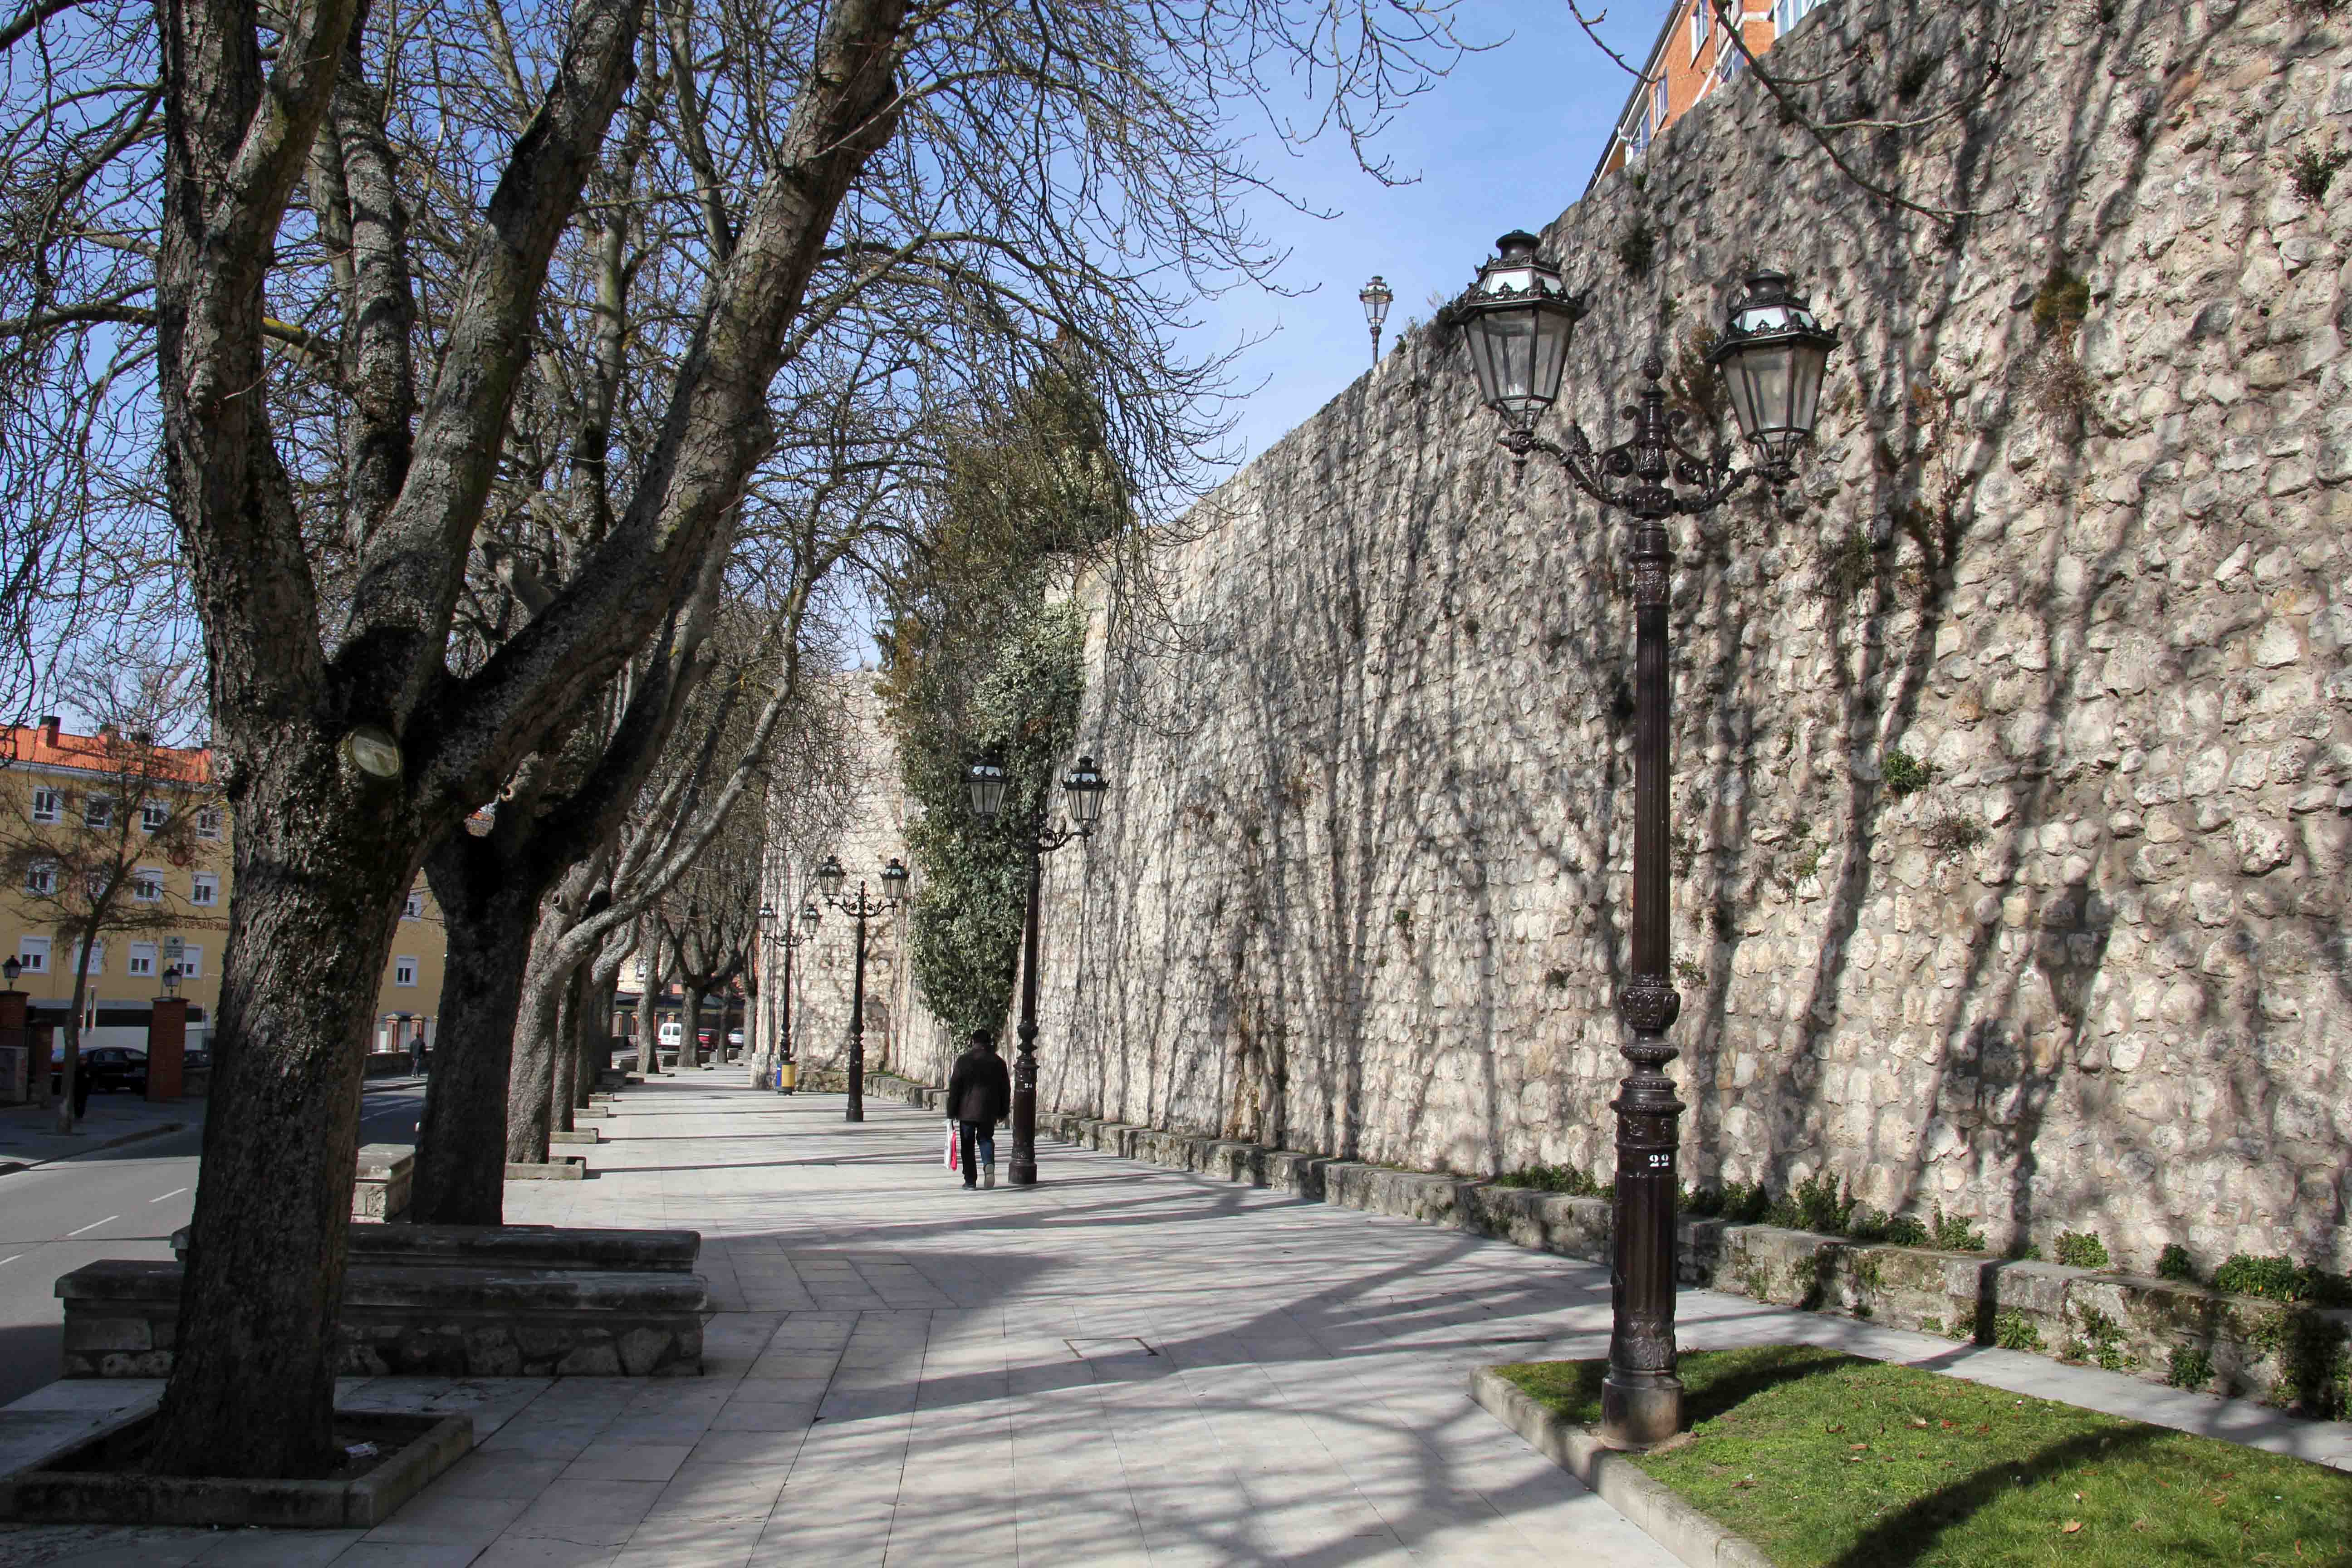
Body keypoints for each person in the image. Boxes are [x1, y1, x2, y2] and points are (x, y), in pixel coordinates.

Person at [944, 1029, 1012, 1191]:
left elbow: (955, 1089)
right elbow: (1005, 1090)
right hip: (988, 1111)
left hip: (966, 1111)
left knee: (967, 1145)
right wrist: (1003, 1111)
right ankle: (988, 1164)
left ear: (973, 1042)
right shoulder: (999, 1062)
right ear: (990, 1043)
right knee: (986, 1139)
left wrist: (951, 1112)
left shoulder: (964, 1061)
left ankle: (970, 1181)